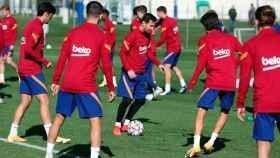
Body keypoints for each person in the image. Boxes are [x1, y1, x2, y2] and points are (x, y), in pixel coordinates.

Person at [45, 2, 116, 158]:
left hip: (67, 84)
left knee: (59, 117)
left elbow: (62, 58)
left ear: (86, 14)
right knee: (96, 121)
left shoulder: (73, 32)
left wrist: (56, 81)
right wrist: (111, 88)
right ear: (101, 15)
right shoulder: (102, 35)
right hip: (86, 86)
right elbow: (107, 64)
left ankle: (48, 155)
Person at [7, 2, 68, 144]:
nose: (51, 19)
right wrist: (44, 60)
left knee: (25, 101)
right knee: (44, 99)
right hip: (31, 69)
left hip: (23, 68)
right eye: (51, 16)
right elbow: (28, 49)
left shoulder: (31, 25)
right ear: (46, 14)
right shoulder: (37, 27)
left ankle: (12, 134)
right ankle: (50, 135)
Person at [185, 10, 243, 157]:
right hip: (230, 82)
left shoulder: (204, 41)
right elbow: (244, 53)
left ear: (205, 27)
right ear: (218, 23)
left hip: (214, 82)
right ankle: (211, 142)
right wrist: (234, 64)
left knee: (201, 111)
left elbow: (200, 64)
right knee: (224, 112)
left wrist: (192, 82)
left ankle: (197, 146)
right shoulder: (231, 38)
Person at [236, 5, 280, 158]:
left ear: (256, 22)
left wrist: (240, 103)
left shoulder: (250, 45)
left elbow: (245, 78)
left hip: (264, 102)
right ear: (274, 20)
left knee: (263, 146)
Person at [112, 13, 165, 136]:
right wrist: (129, 69)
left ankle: (127, 122)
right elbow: (122, 53)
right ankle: (117, 125)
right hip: (129, 74)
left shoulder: (148, 37)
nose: (153, 29)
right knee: (127, 100)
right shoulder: (132, 36)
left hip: (141, 74)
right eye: (151, 26)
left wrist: (158, 64)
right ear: (143, 23)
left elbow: (149, 54)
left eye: (154, 26)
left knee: (140, 100)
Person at [156, 6, 186, 95]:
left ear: (161, 12)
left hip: (172, 48)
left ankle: (167, 89)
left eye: (157, 13)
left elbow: (163, 38)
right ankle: (183, 84)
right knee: (173, 66)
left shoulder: (165, 23)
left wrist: (156, 45)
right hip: (177, 47)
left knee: (166, 66)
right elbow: (158, 22)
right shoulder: (172, 20)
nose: (157, 15)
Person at [99, 8, 117, 88]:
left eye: (102, 14)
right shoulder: (101, 23)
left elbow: (113, 36)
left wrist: (109, 46)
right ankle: (105, 79)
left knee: (109, 64)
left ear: (105, 14)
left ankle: (113, 81)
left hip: (109, 48)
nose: (100, 15)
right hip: (102, 47)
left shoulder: (109, 23)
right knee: (101, 63)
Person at [0, 4, 18, 84]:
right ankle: (2, 79)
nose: (2, 13)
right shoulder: (2, 21)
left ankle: (20, 72)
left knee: (5, 61)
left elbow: (14, 33)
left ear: (7, 11)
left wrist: (12, 45)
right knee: (5, 61)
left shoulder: (12, 20)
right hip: (3, 44)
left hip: (9, 44)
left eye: (3, 11)